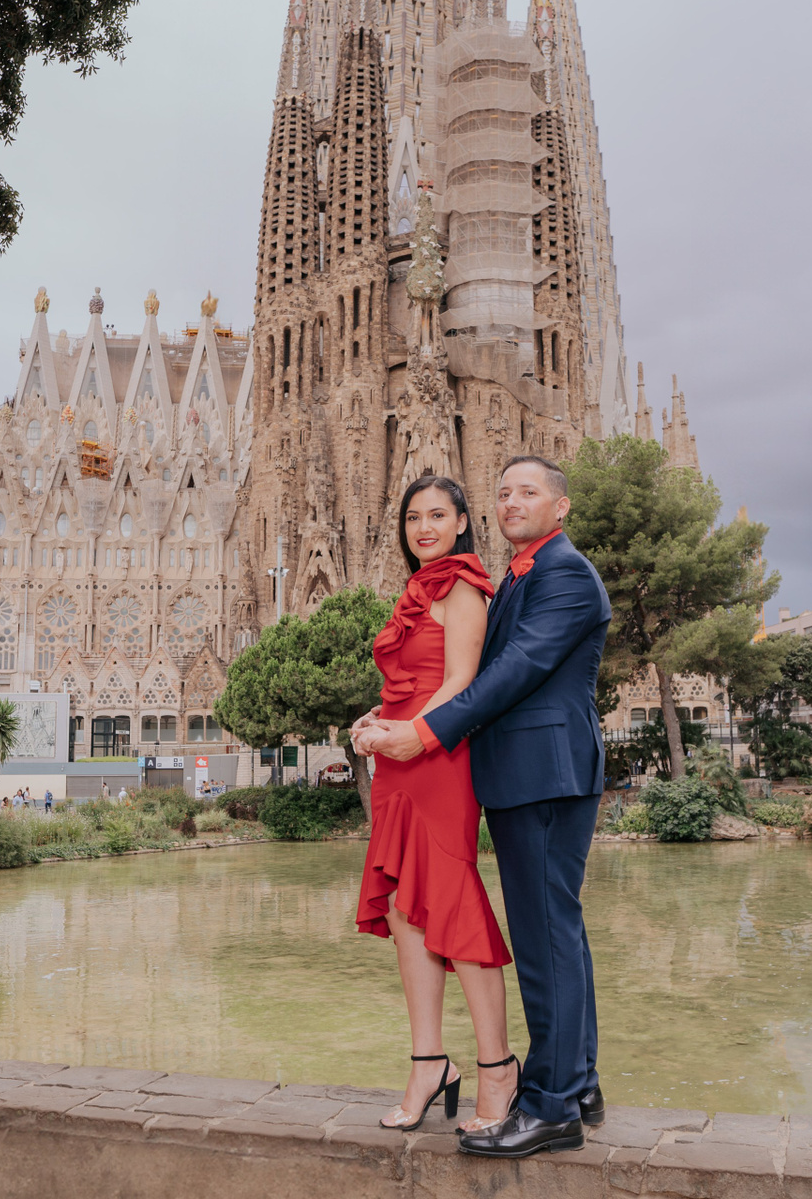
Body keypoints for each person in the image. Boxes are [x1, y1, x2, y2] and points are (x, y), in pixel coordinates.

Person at [358, 456, 611, 1159]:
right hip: (521, 772)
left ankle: (552, 1106)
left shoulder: (564, 574)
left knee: (545, 937)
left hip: (545, 772)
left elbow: (511, 673)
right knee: (553, 933)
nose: (512, 502)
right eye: (504, 492)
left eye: (528, 491)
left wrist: (420, 732)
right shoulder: (524, 574)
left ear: (560, 506)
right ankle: (578, 1084)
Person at [349, 475, 517, 1135]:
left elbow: (461, 683)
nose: (424, 527)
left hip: (437, 758)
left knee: (450, 901)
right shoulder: (415, 589)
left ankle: (498, 1068)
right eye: (413, 517)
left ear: (462, 521)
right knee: (402, 906)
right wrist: (375, 720)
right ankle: (429, 1064)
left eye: (438, 515)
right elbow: (408, 681)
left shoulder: (463, 587)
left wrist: (406, 733)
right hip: (397, 761)